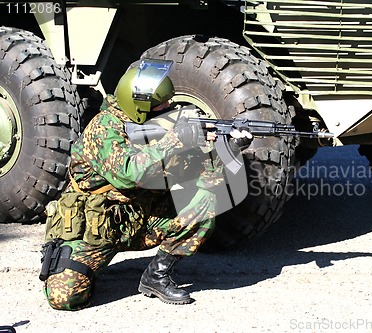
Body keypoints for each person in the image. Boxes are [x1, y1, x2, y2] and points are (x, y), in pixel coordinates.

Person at [39, 59, 252, 310]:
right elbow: (130, 173)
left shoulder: (155, 127)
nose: (169, 107)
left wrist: (229, 149)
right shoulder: (104, 128)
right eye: (161, 103)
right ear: (140, 106)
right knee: (65, 298)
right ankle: (84, 265)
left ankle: (157, 276)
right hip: (92, 228)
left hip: (138, 218)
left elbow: (202, 173)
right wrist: (176, 139)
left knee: (204, 199)